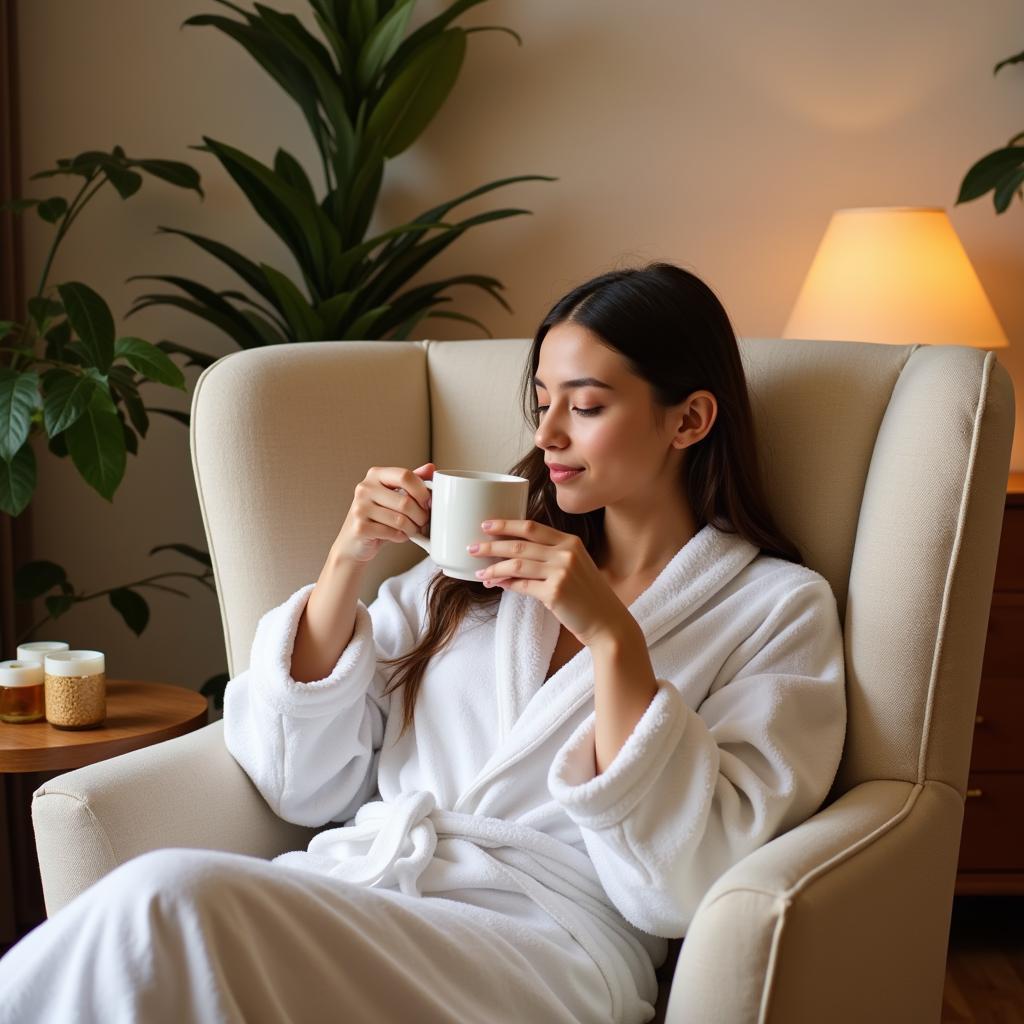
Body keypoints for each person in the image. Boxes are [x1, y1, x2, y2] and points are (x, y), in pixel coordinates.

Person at [0, 261, 847, 1023]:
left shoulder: (776, 610)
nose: (548, 433)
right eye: (542, 402)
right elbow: (298, 780)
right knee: (154, 927)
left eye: (585, 406)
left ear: (689, 420)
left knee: (164, 898)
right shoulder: (478, 569)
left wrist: (612, 637)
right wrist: (346, 563)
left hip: (543, 950)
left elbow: (682, 878)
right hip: (367, 895)